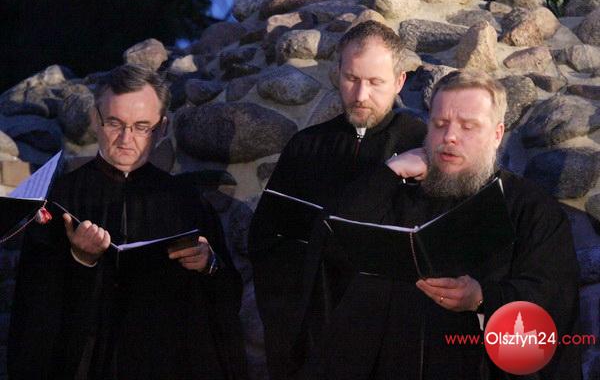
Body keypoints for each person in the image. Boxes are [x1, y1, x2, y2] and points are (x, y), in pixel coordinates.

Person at [300, 70, 581, 379]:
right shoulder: (397, 190)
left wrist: (482, 297)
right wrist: (388, 173)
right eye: (440, 124)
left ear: (497, 134)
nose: (449, 137)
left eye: (468, 126)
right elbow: (328, 243)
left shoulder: (530, 208)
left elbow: (553, 298)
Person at [8, 64, 246, 379]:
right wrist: (81, 260)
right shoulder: (59, 197)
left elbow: (228, 298)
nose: (126, 139)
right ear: (95, 119)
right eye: (114, 123)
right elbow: (34, 305)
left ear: (162, 128)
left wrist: (208, 264)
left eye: (142, 126)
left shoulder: (187, 201)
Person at [248, 20, 427, 379]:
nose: (360, 95)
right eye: (351, 78)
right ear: (337, 74)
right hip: (315, 332)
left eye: (375, 82)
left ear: (399, 81)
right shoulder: (306, 146)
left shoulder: (422, 146)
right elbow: (266, 239)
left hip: (393, 335)